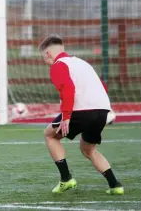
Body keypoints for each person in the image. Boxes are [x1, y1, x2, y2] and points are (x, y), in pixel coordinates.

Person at [39, 35, 124, 195]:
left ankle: (66, 179)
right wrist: (106, 110)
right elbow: (102, 86)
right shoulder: (81, 63)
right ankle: (115, 185)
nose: (44, 60)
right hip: (102, 110)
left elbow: (68, 89)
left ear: (49, 53)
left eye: (43, 56)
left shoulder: (58, 65)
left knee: (49, 135)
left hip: (81, 110)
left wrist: (66, 117)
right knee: (88, 149)